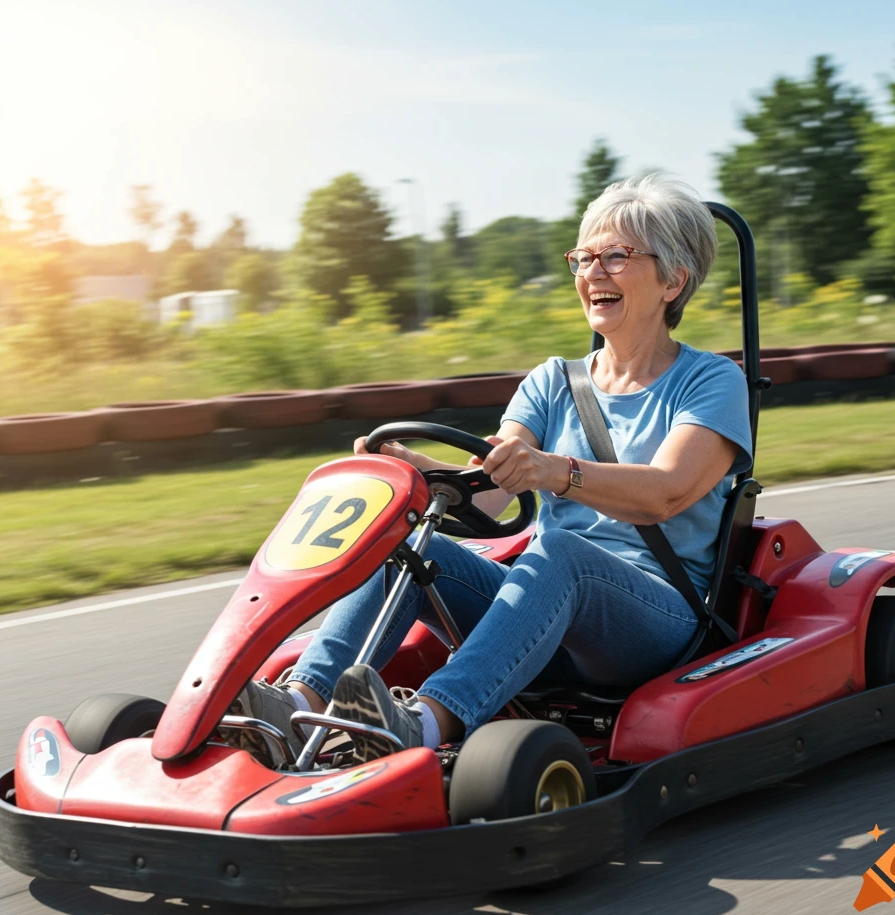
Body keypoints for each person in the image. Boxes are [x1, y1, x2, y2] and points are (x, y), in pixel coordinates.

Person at [234, 174, 752, 764]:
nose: (593, 273)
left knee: (562, 553)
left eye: (617, 256)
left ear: (674, 280)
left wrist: (555, 471)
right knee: (402, 543)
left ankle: (425, 724)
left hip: (654, 620)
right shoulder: (553, 381)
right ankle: (300, 705)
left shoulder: (711, 382)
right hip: (543, 610)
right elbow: (485, 494)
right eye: (584, 258)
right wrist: (411, 471)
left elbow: (666, 493)